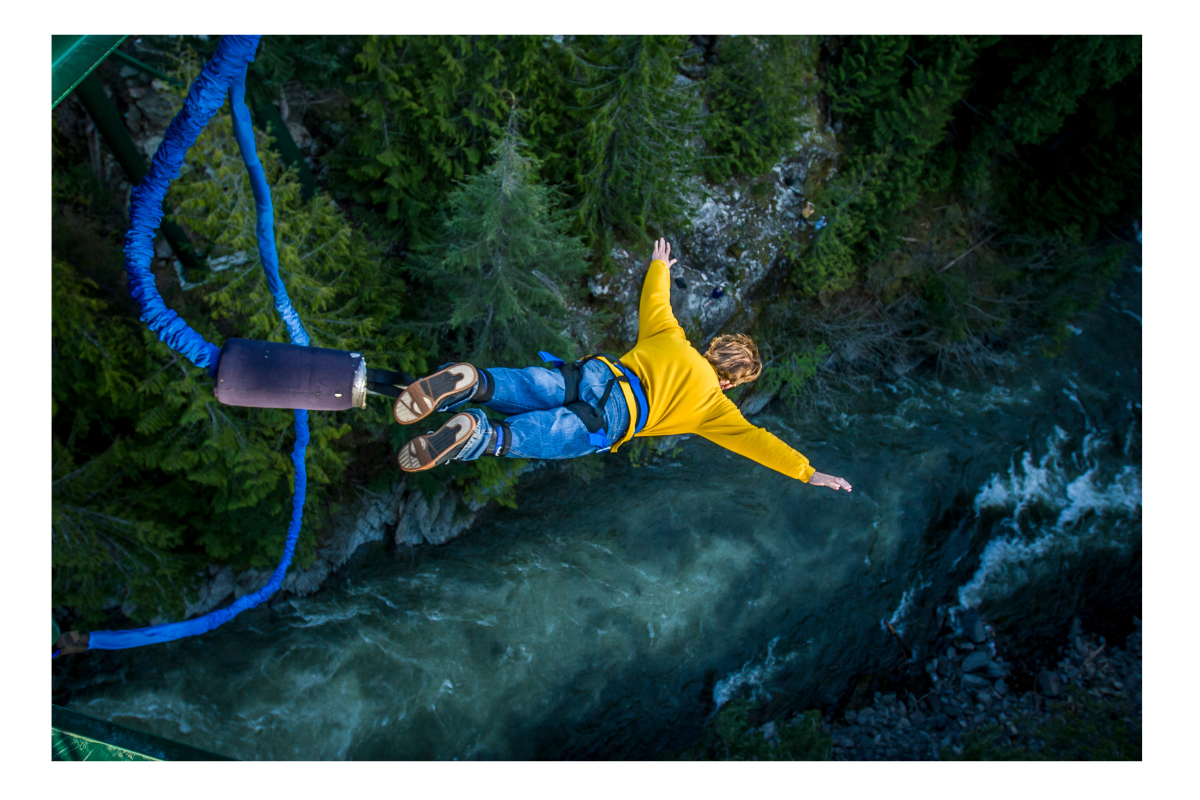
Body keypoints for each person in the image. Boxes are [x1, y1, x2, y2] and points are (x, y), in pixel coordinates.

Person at [394, 238, 852, 493]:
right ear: (730, 381)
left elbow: (656, 299)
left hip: (597, 374)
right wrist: (808, 472)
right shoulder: (715, 408)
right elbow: (758, 443)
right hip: (614, 418)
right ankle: (478, 434)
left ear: (713, 348)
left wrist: (660, 266)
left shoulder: (670, 336)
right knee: (532, 437)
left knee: (533, 385)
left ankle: (472, 381)